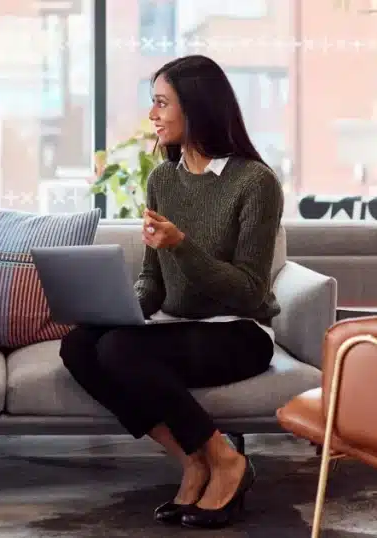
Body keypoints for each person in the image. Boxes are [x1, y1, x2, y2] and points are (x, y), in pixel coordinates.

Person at [59, 54, 283, 530]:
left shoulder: (255, 183)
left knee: (119, 350)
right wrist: (117, 308)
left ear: (197, 107)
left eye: (161, 103)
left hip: (238, 332)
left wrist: (182, 246)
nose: (152, 114)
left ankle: (226, 460)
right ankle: (192, 458)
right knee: (80, 344)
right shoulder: (162, 178)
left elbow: (248, 290)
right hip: (177, 328)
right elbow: (153, 282)